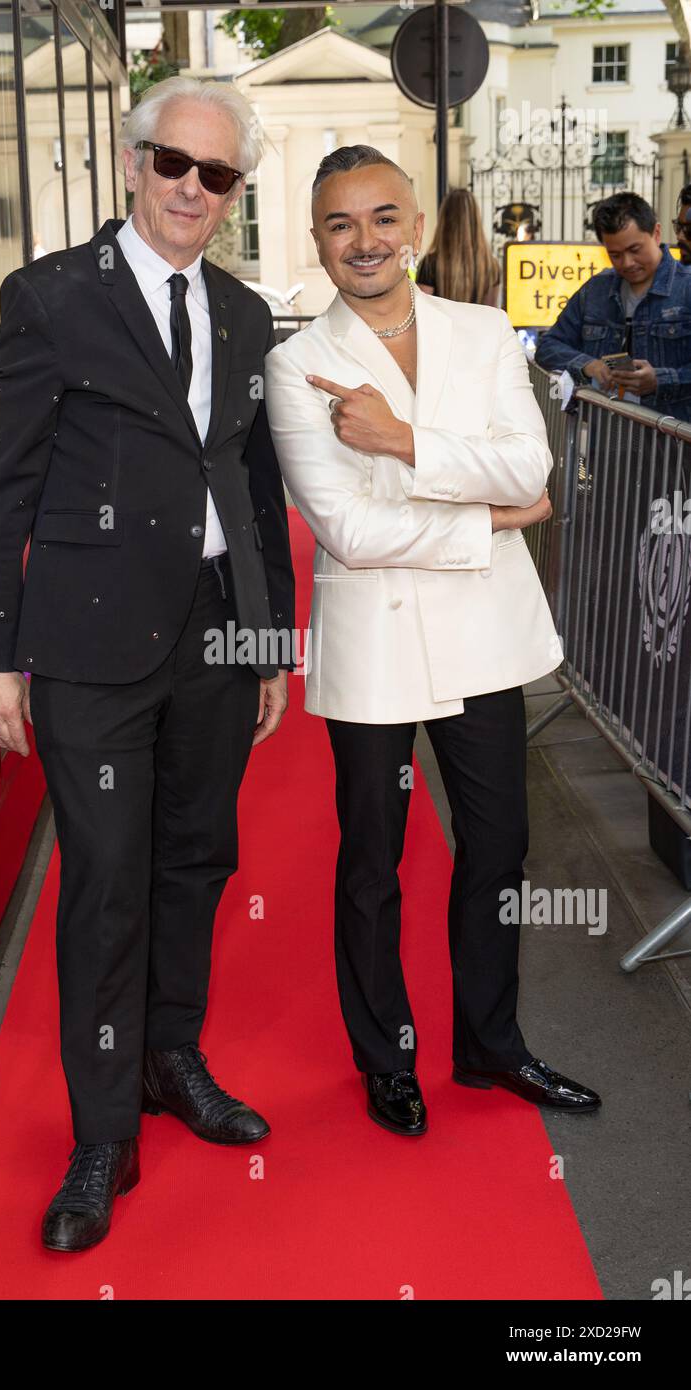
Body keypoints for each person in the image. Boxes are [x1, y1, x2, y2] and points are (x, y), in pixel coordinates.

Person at [0, 76, 294, 1251]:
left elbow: (253, 488)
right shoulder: (51, 297)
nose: (191, 191)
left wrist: (267, 640)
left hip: (215, 632)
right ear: (130, 161)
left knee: (195, 861)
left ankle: (170, 1059)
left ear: (234, 193)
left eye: (217, 175)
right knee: (105, 885)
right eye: (173, 164)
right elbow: (4, 481)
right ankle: (101, 1132)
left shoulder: (246, 316)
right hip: (91, 644)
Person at [263, 145, 601, 1138]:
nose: (362, 241)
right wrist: (494, 519)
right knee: (373, 860)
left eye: (379, 218)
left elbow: (526, 459)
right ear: (317, 240)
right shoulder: (293, 366)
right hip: (374, 642)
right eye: (338, 224)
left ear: (411, 226)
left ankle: (491, 1041)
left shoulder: (485, 330)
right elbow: (350, 532)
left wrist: (403, 443)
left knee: (497, 846)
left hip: (483, 639)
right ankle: (386, 1057)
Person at [534, 191, 691, 421]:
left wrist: (660, 380)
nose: (627, 263)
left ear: (656, 233)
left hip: (671, 448)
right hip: (608, 443)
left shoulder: (686, 288)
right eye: (615, 255)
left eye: (635, 250)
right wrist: (588, 365)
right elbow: (548, 346)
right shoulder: (595, 291)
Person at [415, 187, 501, 307]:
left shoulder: (430, 264)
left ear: (444, 220)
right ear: (476, 220)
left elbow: (422, 310)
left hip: (440, 326)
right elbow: (491, 313)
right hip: (475, 326)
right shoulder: (491, 266)